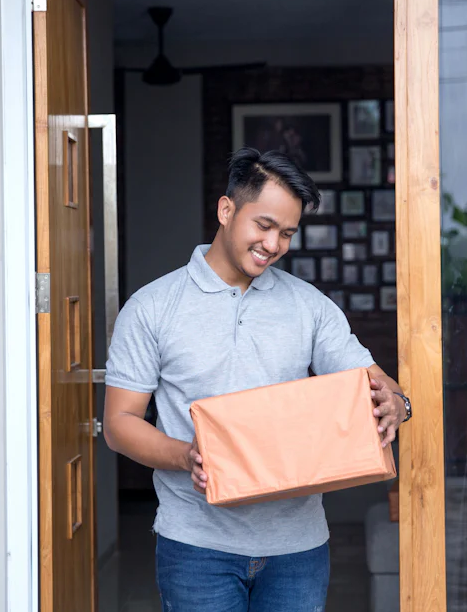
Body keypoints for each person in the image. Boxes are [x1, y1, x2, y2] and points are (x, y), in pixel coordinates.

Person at [103, 147, 412, 612]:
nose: (274, 245)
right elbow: (120, 423)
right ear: (226, 210)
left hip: (299, 547)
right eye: (264, 226)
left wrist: (397, 402)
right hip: (195, 545)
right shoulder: (151, 307)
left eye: (287, 233)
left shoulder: (309, 306)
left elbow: (373, 380)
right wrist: (186, 455)